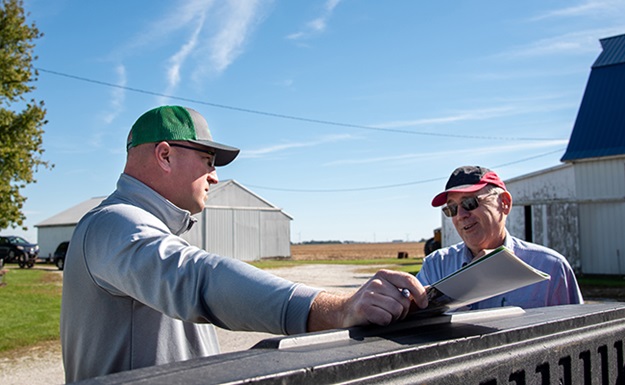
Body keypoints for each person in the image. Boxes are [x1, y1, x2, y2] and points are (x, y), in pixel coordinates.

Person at [60, 105, 428, 383]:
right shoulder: (114, 221)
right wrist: (335, 309)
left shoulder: (146, 226)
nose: (215, 176)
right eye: (207, 160)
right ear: (165, 155)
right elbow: (197, 279)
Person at [417, 165, 583, 310]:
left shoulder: (550, 267)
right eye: (452, 209)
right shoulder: (436, 267)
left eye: (469, 203)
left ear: (504, 203)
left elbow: (577, 335)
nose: (460, 215)